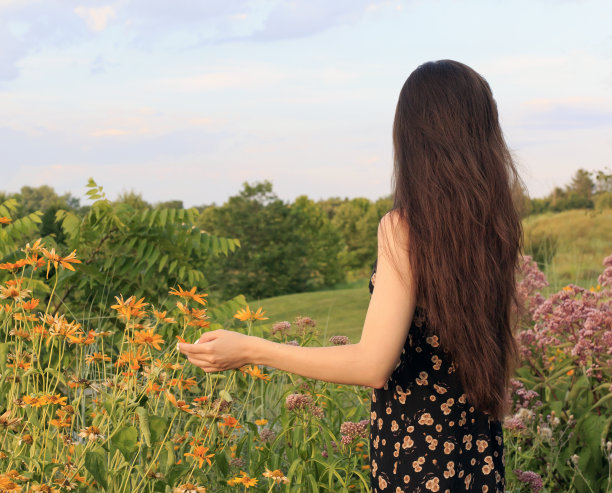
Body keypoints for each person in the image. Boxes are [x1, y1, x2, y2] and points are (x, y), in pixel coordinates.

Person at [179, 59, 524, 492]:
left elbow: (372, 364)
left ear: (414, 137)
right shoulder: (495, 227)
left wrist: (251, 348)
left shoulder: (405, 229)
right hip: (478, 461)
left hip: (417, 465)